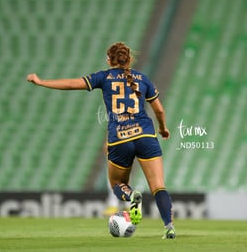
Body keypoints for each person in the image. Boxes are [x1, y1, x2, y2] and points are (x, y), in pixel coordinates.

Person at [27, 42, 175, 239]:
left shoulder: (103, 77)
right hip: (145, 135)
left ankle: (131, 196)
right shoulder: (143, 79)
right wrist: (163, 128)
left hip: (119, 138)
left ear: (108, 59)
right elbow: (159, 109)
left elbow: (72, 84)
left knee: (117, 183)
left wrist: (41, 81)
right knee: (158, 186)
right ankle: (169, 227)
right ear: (129, 59)